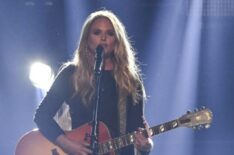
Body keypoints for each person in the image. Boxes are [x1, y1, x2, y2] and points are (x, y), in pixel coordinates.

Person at [34, 10, 153, 155]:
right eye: (97, 32)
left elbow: (138, 132)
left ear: (117, 40)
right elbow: (42, 115)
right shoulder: (71, 74)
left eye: (110, 33)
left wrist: (146, 147)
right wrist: (67, 145)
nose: (103, 38)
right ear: (86, 38)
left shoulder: (130, 80)